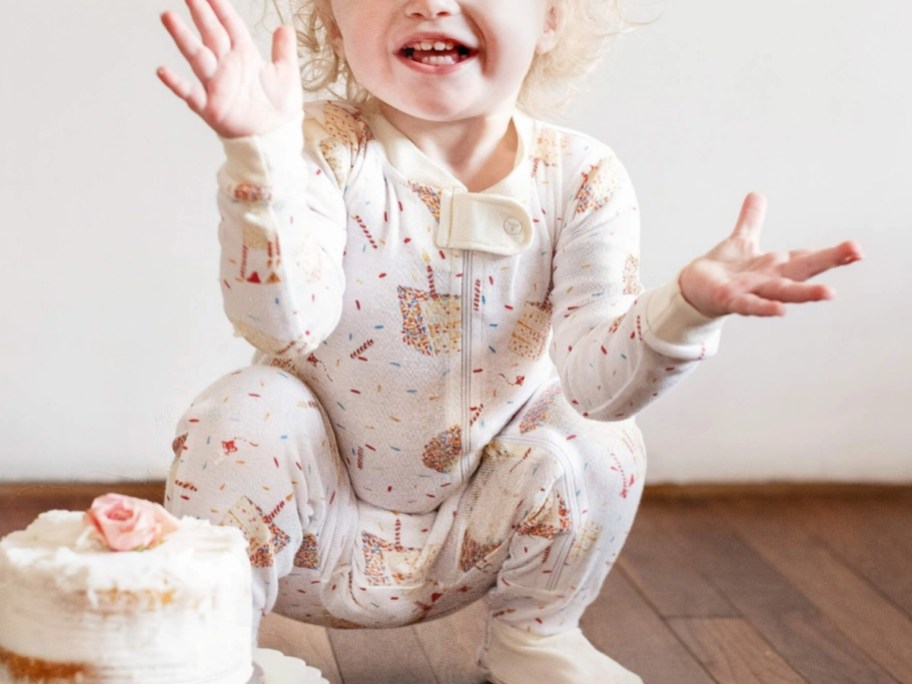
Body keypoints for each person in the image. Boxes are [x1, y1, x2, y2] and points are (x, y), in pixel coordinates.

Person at [157, 0, 862, 681]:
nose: (429, 3)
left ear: (551, 17)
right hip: (311, 530)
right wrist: (260, 162)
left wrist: (684, 308)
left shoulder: (580, 177)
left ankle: (537, 637)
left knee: (597, 433)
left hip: (484, 525)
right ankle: (219, 653)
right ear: (332, 23)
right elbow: (285, 325)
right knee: (244, 409)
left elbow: (596, 385)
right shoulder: (315, 149)